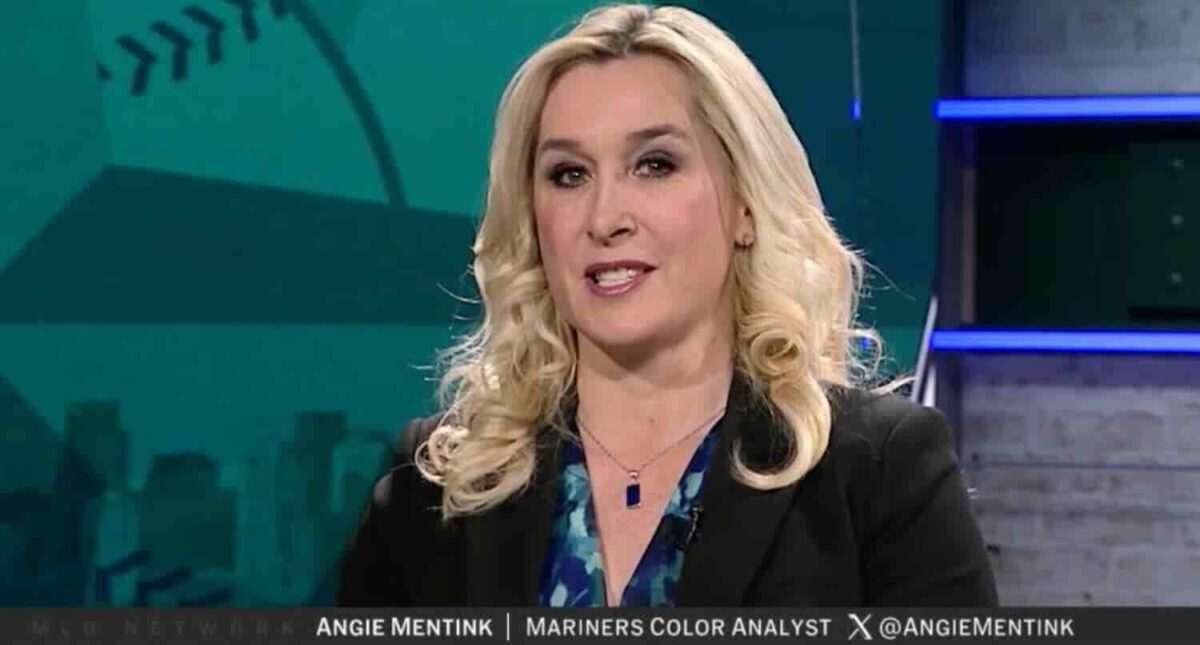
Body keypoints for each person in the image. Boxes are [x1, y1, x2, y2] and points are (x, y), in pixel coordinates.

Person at [336, 3, 997, 607]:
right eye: (569, 174)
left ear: (745, 204)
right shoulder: (436, 487)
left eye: (654, 165)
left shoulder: (878, 473)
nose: (605, 217)